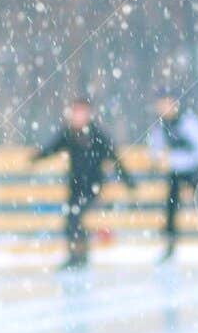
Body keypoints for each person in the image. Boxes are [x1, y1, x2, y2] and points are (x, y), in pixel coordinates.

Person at [33, 96, 134, 270]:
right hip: (75, 186)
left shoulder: (97, 135)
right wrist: (35, 158)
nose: (78, 116)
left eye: (81, 112)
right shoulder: (69, 134)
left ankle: (79, 255)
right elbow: (52, 148)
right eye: (75, 112)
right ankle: (76, 254)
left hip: (93, 187)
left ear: (88, 114)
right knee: (71, 219)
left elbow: (115, 158)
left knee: (75, 216)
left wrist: (128, 181)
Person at [147, 90, 198, 262]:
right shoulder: (160, 126)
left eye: (168, 103)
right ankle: (170, 246)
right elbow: (156, 151)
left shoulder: (187, 122)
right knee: (171, 208)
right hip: (175, 174)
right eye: (161, 104)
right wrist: (161, 159)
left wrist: (174, 159)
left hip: (193, 171)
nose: (165, 108)